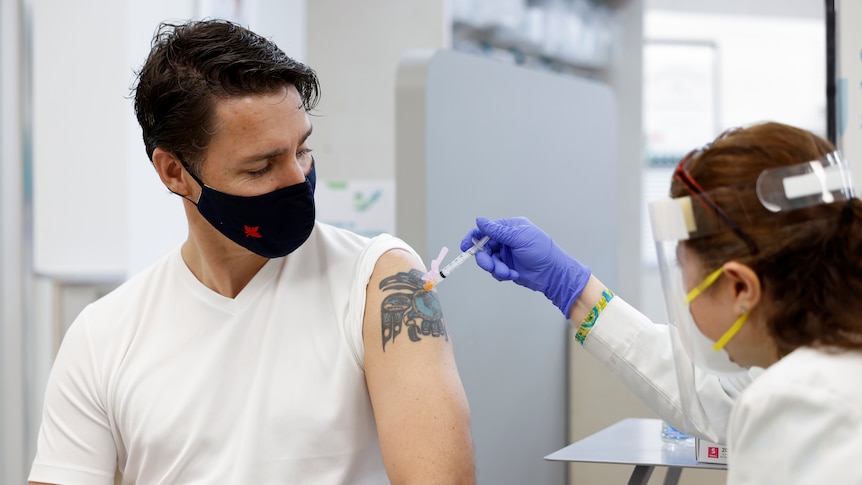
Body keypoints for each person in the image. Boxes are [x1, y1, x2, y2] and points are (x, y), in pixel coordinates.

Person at [28, 19, 475, 485]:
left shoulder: (378, 284)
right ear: (174, 172)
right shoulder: (104, 335)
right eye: (261, 167)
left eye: (302, 150)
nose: (297, 180)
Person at [463, 121, 862, 483]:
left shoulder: (803, 406)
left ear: (740, 287)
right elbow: (718, 399)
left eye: (681, 264)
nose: (684, 285)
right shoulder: (825, 362)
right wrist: (568, 286)